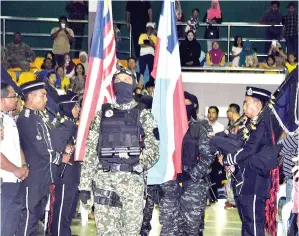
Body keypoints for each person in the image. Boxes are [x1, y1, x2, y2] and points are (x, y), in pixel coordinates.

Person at [78, 68, 159, 235]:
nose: (122, 83)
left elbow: (154, 148)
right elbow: (91, 151)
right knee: (106, 232)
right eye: (118, 80)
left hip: (132, 183)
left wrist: (139, 164)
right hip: (105, 181)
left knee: (130, 232)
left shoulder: (144, 115)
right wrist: (85, 185)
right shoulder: (101, 115)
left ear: (134, 85)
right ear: (113, 85)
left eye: (127, 80)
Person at [5, 80, 74, 236]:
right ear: (31, 97)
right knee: (28, 218)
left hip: (44, 176)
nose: (46, 99)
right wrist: (60, 157)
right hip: (33, 177)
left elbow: (53, 140)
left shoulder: (40, 117)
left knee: (35, 219)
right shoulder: (27, 119)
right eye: (42, 95)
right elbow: (41, 149)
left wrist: (63, 149)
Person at [220, 87, 278, 236]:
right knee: (247, 224)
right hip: (244, 183)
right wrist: (231, 165)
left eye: (246, 103)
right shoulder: (250, 125)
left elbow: (249, 150)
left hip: (255, 184)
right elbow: (240, 149)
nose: (244, 106)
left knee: (253, 225)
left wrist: (229, 159)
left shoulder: (264, 124)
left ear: (258, 106)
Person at [178, 91, 215, 236]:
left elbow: (208, 156)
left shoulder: (200, 127)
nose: (185, 106)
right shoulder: (171, 127)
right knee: (173, 227)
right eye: (182, 103)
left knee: (192, 228)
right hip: (172, 183)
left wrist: (192, 176)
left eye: (188, 104)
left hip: (193, 183)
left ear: (195, 107)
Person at [50, 92, 81, 236]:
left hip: (73, 173)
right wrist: (64, 151)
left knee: (69, 209)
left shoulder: (71, 125)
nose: (78, 109)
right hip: (64, 174)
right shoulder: (62, 126)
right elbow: (54, 148)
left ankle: (65, 232)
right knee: (62, 209)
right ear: (68, 107)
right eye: (75, 106)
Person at [0, 82, 29, 236]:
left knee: (12, 226)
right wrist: (16, 170)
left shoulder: (8, 118)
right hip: (5, 181)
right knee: (3, 225)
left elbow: (17, 147)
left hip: (16, 180)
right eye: (13, 97)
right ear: (2, 99)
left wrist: (23, 165)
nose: (16, 100)